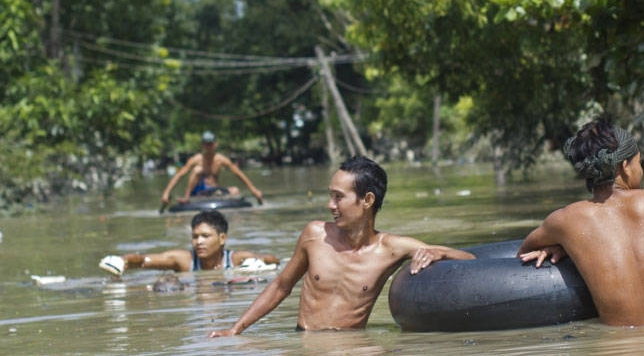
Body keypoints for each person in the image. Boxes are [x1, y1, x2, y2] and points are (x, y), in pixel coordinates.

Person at [209, 155, 475, 336]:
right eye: (330, 195)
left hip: (352, 347)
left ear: (367, 200)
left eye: (339, 197)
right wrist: (236, 329)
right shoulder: (315, 235)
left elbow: (471, 261)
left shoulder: (392, 248)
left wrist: (438, 251)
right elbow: (281, 286)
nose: (330, 205)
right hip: (306, 343)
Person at [516, 119, 644, 326]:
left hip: (616, 354)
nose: (641, 169)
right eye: (639, 162)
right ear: (625, 167)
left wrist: (563, 246)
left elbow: (522, 253)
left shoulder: (566, 220)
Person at [99, 210, 279, 275]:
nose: (198, 242)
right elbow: (144, 260)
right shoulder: (184, 261)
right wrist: (123, 261)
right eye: (195, 237)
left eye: (205, 236)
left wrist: (260, 264)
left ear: (222, 238)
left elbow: (271, 259)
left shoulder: (236, 260)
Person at [161, 131, 264, 207]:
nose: (208, 146)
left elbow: (239, 174)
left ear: (215, 144)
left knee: (235, 191)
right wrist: (166, 193)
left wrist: (254, 190)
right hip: (198, 192)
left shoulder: (221, 160)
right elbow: (179, 175)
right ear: (203, 145)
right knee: (197, 170)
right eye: (206, 144)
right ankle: (187, 197)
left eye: (210, 144)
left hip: (214, 191)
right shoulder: (196, 159)